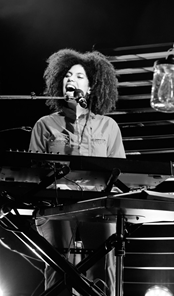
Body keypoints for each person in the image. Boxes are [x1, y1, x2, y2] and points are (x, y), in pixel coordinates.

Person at [29, 48, 126, 296]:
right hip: (55, 205)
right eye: (67, 75)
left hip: (96, 205)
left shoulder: (108, 126)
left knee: (102, 270)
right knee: (59, 269)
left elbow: (120, 175)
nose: (71, 79)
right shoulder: (45, 124)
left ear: (92, 87)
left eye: (79, 76)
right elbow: (32, 173)